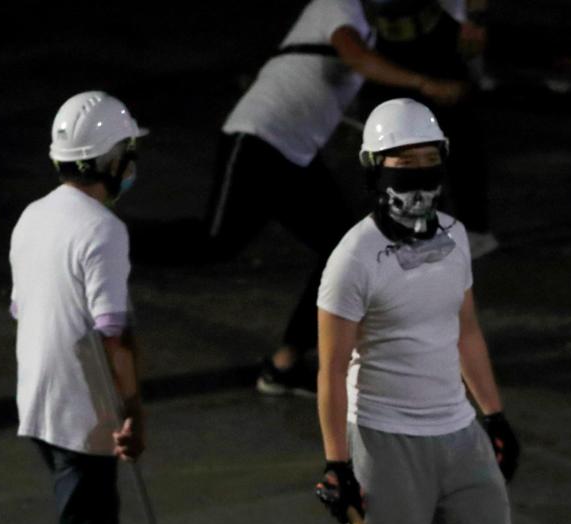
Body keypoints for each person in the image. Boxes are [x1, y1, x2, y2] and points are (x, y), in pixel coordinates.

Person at [313, 98, 521, 524]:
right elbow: (333, 370)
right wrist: (338, 463)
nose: (419, 178)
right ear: (374, 170)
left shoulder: (454, 238)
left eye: (429, 161)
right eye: (402, 165)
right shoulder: (352, 260)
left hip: (458, 432)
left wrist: (493, 416)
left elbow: (466, 330)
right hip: (384, 442)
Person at [199, 0, 470, 397]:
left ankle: (285, 364)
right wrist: (425, 84)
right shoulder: (337, 5)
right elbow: (356, 58)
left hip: (294, 153)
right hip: (258, 137)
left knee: (340, 250)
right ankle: (109, 242)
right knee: (214, 242)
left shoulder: (368, 26)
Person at [9, 91, 148, 524]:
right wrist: (132, 412)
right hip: (82, 411)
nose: (133, 165)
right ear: (110, 161)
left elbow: (25, 309)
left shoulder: (33, 216)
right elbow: (113, 332)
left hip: (39, 402)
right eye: (128, 152)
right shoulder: (103, 229)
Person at [359, 0, 500, 258]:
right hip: (385, 40)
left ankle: (475, 228)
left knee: (457, 135)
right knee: (398, 141)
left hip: (433, 37)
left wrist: (477, 19)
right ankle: (420, 231)